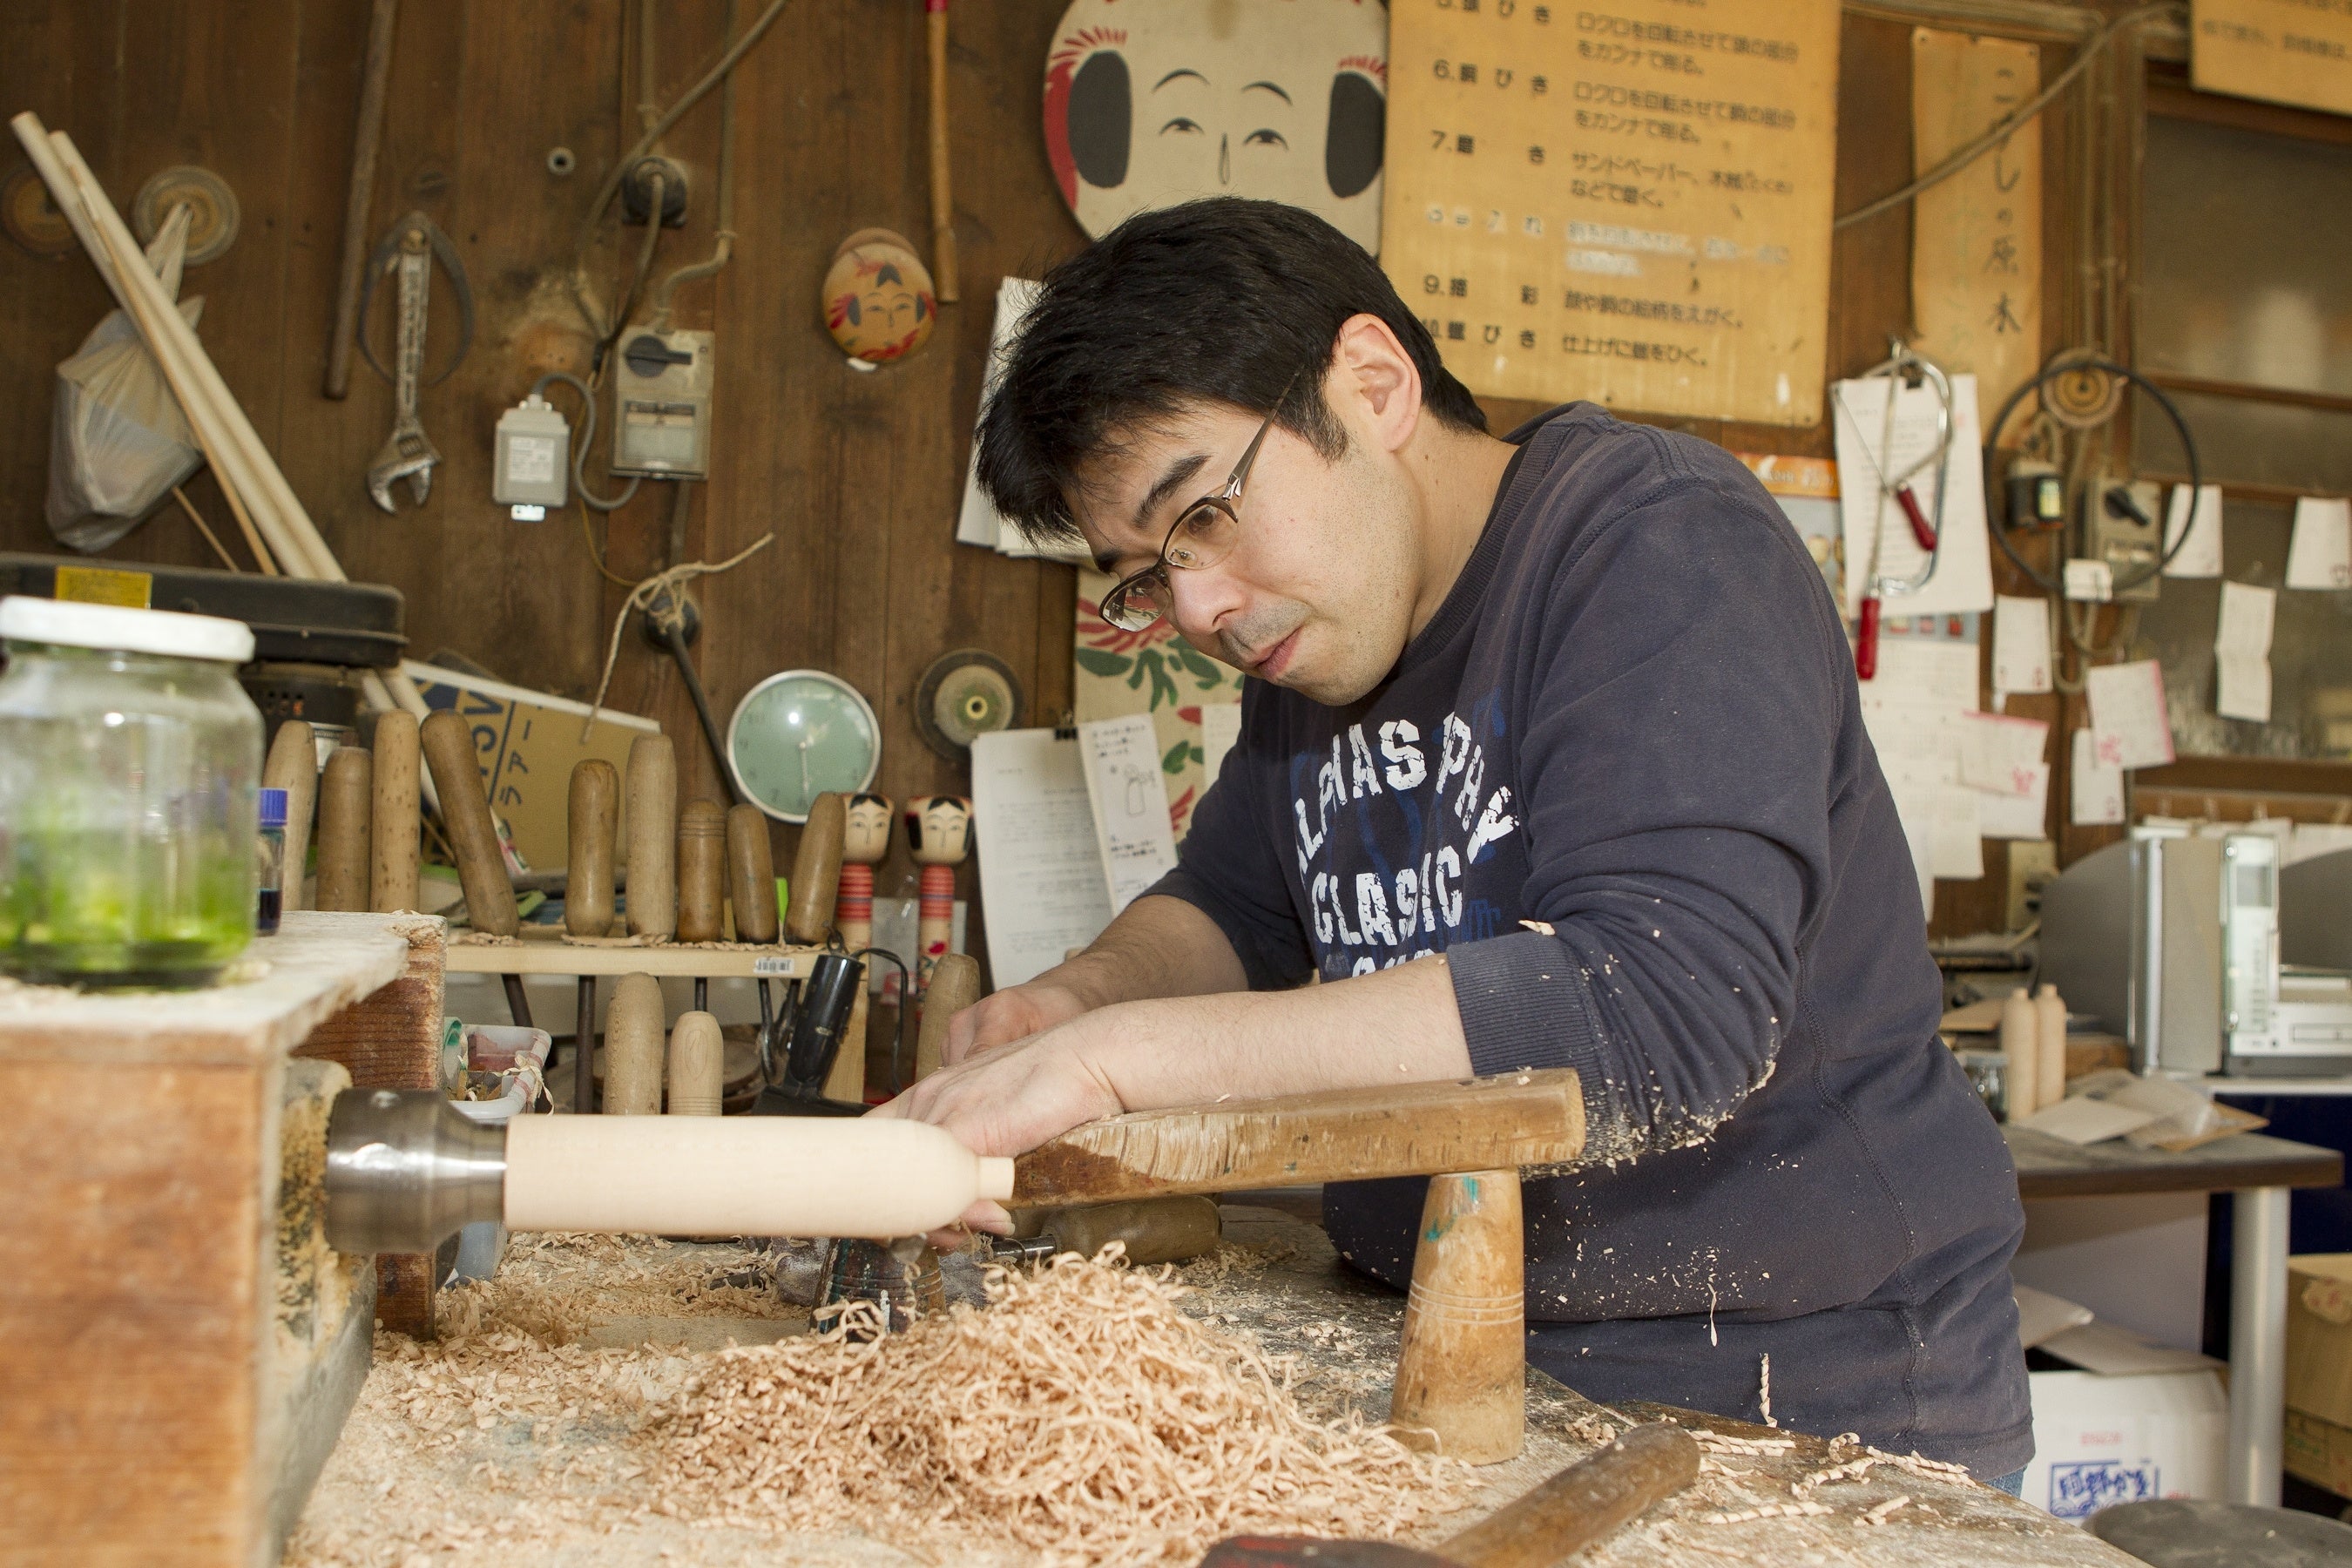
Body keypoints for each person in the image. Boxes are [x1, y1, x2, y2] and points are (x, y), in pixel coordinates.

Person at [875, 197, 2031, 1484]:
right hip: (1461, 1349)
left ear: (1372, 384)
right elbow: (1232, 910)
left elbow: (1665, 1013)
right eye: (1147, 571)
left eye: (1204, 512)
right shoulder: (1315, 638)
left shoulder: (1659, 545)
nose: (1198, 604)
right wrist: (1074, 1003)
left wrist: (1119, 1062)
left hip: (1793, 1397)